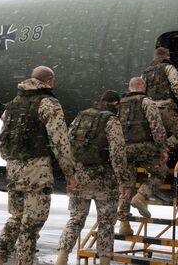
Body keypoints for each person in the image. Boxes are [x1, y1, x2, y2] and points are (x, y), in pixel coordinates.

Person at [0, 66, 76, 265]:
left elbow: (3, 140)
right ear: (50, 81)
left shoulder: (12, 105)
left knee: (15, 218)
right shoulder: (48, 104)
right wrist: (70, 173)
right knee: (32, 223)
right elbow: (60, 142)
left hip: (14, 168)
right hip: (37, 169)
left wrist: (12, 160)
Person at [56, 91, 132, 265]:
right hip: (105, 180)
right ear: (115, 104)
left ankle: (62, 256)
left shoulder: (81, 116)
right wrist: (125, 182)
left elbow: (67, 145)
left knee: (75, 219)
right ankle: (104, 261)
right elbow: (118, 154)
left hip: (80, 177)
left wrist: (70, 174)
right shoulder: (111, 120)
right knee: (106, 223)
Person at [117, 77, 168, 234]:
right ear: (143, 87)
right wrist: (163, 148)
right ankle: (141, 196)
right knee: (160, 172)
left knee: (126, 184)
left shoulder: (119, 104)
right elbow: (156, 126)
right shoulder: (147, 102)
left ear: (129, 86)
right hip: (145, 147)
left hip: (124, 148)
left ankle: (124, 224)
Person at [142, 47, 178, 151]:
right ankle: (163, 151)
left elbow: (141, 91)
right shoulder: (168, 68)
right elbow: (176, 86)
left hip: (150, 110)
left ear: (155, 57)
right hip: (165, 108)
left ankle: (156, 152)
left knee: (155, 136)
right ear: (168, 56)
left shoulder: (145, 73)